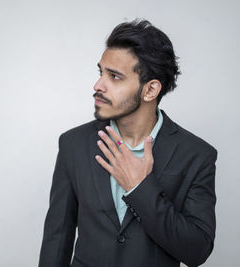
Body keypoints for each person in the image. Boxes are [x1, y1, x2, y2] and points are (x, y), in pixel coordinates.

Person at [38, 19, 217, 267]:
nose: (98, 85)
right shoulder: (73, 144)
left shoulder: (197, 155)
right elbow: (57, 239)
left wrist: (140, 188)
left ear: (150, 90)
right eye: (100, 72)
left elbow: (197, 251)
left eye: (114, 76)